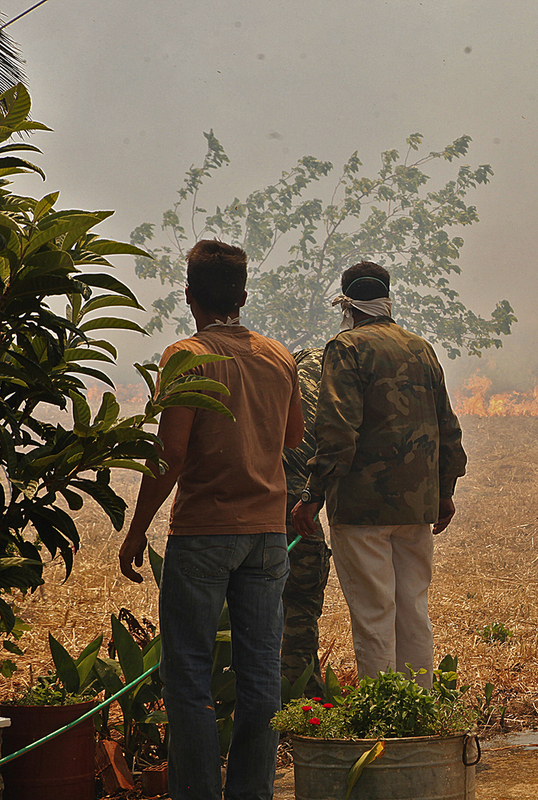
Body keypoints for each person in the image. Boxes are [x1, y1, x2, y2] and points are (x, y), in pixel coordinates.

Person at [118, 239, 303, 800]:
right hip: (268, 537)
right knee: (260, 678)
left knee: (189, 678)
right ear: (243, 297)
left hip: (202, 535)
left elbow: (170, 455)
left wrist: (136, 529)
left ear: (189, 294)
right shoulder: (278, 355)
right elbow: (292, 437)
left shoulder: (186, 356)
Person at [291, 261, 467, 689]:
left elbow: (337, 429)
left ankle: (384, 720)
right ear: (387, 298)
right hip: (418, 507)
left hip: (361, 509)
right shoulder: (421, 348)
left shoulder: (346, 348)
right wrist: (445, 492)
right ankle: (418, 713)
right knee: (412, 612)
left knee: (374, 616)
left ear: (347, 303)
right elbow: (447, 426)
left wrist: (313, 494)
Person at [281, 347, 332, 698]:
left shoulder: (285, 373)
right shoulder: (342, 390)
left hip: (253, 510)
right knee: (298, 618)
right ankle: (304, 706)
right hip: (298, 515)